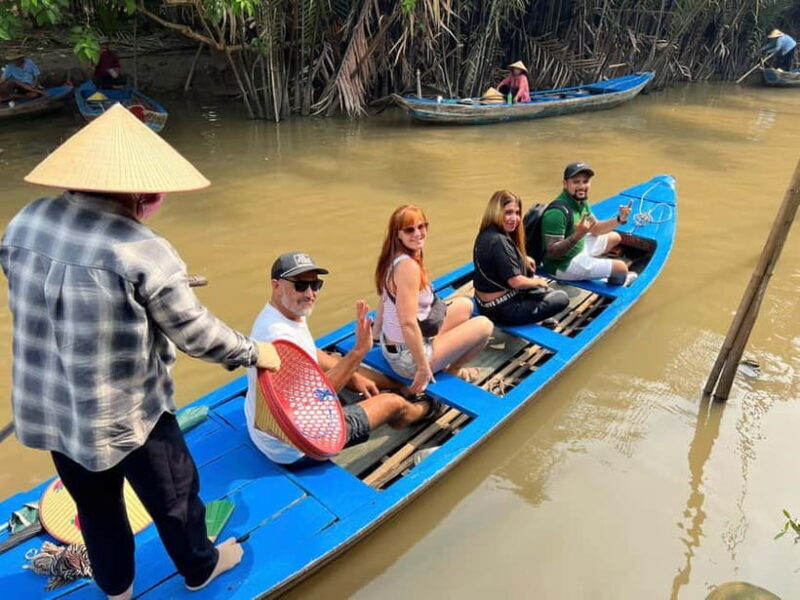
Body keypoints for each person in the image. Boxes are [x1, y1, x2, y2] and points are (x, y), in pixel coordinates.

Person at [0, 103, 282, 600]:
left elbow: (35, 279)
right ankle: (201, 568)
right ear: (145, 193)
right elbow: (196, 336)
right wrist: (253, 350)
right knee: (175, 498)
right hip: (128, 413)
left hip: (52, 409)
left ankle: (117, 591)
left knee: (95, 509)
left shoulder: (26, 221)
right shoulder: (143, 250)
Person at [245, 252, 437, 464]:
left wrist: (355, 376)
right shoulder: (277, 336)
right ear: (276, 285)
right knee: (392, 403)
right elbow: (318, 400)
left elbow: (313, 354)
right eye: (300, 285)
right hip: (296, 447)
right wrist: (358, 352)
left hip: (267, 424)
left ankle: (402, 386)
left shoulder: (281, 314)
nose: (310, 293)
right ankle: (425, 408)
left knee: (341, 363)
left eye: (315, 284)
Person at [375, 205, 493, 394]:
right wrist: (422, 368)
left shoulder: (393, 258)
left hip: (392, 346)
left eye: (422, 227)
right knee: (485, 325)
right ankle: (454, 370)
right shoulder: (408, 268)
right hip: (408, 360)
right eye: (409, 229)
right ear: (398, 234)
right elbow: (407, 323)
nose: (418, 233)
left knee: (464, 305)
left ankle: (441, 355)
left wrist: (375, 336)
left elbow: (383, 299)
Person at [473, 190, 570, 326]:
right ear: (495, 211)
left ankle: (533, 313)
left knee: (531, 272)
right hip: (501, 309)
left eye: (517, 213)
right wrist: (538, 282)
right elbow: (516, 282)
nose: (514, 218)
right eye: (508, 212)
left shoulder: (487, 232)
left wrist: (523, 258)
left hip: (485, 303)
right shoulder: (499, 241)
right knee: (561, 298)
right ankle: (535, 317)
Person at [541, 162, 635, 286]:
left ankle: (593, 265)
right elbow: (553, 253)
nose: (581, 186)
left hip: (578, 248)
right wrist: (577, 236)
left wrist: (619, 219)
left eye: (585, 182)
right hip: (563, 265)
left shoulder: (580, 201)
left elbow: (596, 229)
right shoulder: (557, 213)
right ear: (565, 184)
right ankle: (615, 283)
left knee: (615, 238)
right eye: (576, 182)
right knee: (621, 268)